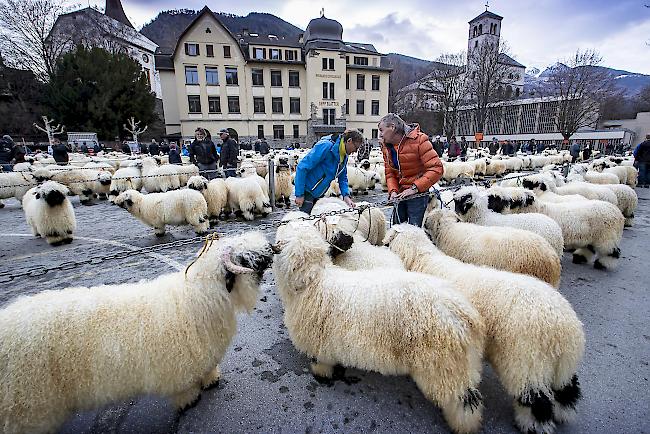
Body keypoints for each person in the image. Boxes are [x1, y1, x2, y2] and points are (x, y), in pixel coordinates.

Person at [378, 113, 444, 227]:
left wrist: (415, 188)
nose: (380, 135)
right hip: (399, 194)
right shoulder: (387, 147)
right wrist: (393, 191)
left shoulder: (419, 140)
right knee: (396, 228)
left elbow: (436, 168)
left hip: (417, 194)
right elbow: (390, 173)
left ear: (392, 127)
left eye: (381, 130)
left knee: (414, 230)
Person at [294, 129, 362, 213]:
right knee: (307, 222)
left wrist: (346, 196)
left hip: (320, 192)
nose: (355, 151)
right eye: (356, 147)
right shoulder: (326, 146)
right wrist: (299, 194)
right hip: (307, 191)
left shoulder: (344, 155)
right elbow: (302, 167)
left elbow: (343, 177)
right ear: (349, 141)